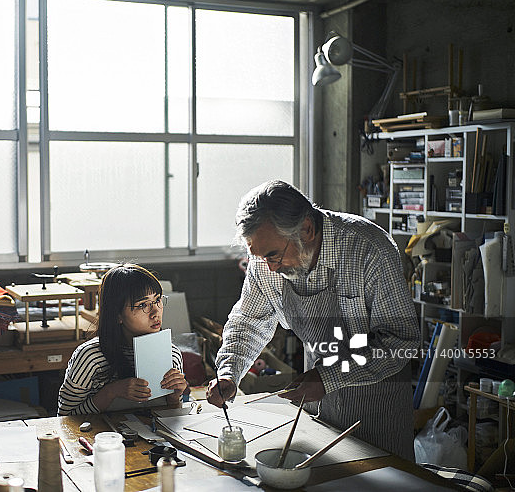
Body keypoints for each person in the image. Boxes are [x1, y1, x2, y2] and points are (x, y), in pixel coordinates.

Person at [206, 180, 420, 460]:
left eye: (273, 255)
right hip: (317, 410)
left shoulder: (369, 249)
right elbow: (248, 321)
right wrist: (228, 373)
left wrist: (328, 378)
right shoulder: (265, 261)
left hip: (376, 413)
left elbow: (400, 341)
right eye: (259, 257)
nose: (269, 267)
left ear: (306, 229)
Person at [57, 264, 188, 415]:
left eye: (157, 300)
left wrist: (174, 397)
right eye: (143, 305)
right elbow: (65, 416)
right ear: (117, 315)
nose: (155, 312)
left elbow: (172, 417)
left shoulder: (171, 354)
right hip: (102, 437)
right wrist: (111, 392)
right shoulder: (90, 357)